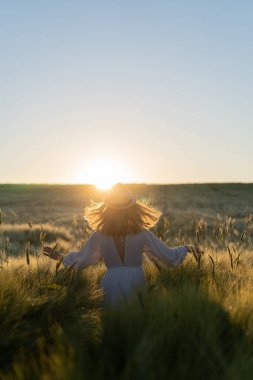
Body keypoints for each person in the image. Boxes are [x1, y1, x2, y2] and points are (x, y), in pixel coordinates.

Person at [43, 183, 203, 304]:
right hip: (136, 282)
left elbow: (81, 260)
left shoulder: (99, 236)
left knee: (112, 325)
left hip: (110, 283)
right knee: (135, 323)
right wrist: (186, 248)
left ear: (108, 210)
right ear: (132, 209)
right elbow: (168, 257)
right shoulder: (142, 234)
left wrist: (59, 257)